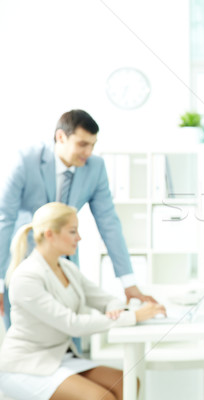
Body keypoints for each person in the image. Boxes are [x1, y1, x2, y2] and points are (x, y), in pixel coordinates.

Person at [0, 109, 155, 329]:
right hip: (21, 259)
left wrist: (128, 283)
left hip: (65, 262)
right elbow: (4, 218)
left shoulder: (95, 168)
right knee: (27, 330)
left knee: (70, 333)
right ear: (60, 137)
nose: (89, 152)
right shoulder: (26, 160)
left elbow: (108, 222)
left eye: (93, 145)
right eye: (83, 144)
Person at [0, 202, 165, 400]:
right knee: (101, 397)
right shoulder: (26, 277)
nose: (79, 238)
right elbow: (72, 324)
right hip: (26, 365)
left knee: (126, 383)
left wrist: (116, 309)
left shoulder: (66, 268)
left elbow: (107, 300)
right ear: (50, 234)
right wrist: (132, 317)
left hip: (60, 357)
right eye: (73, 231)